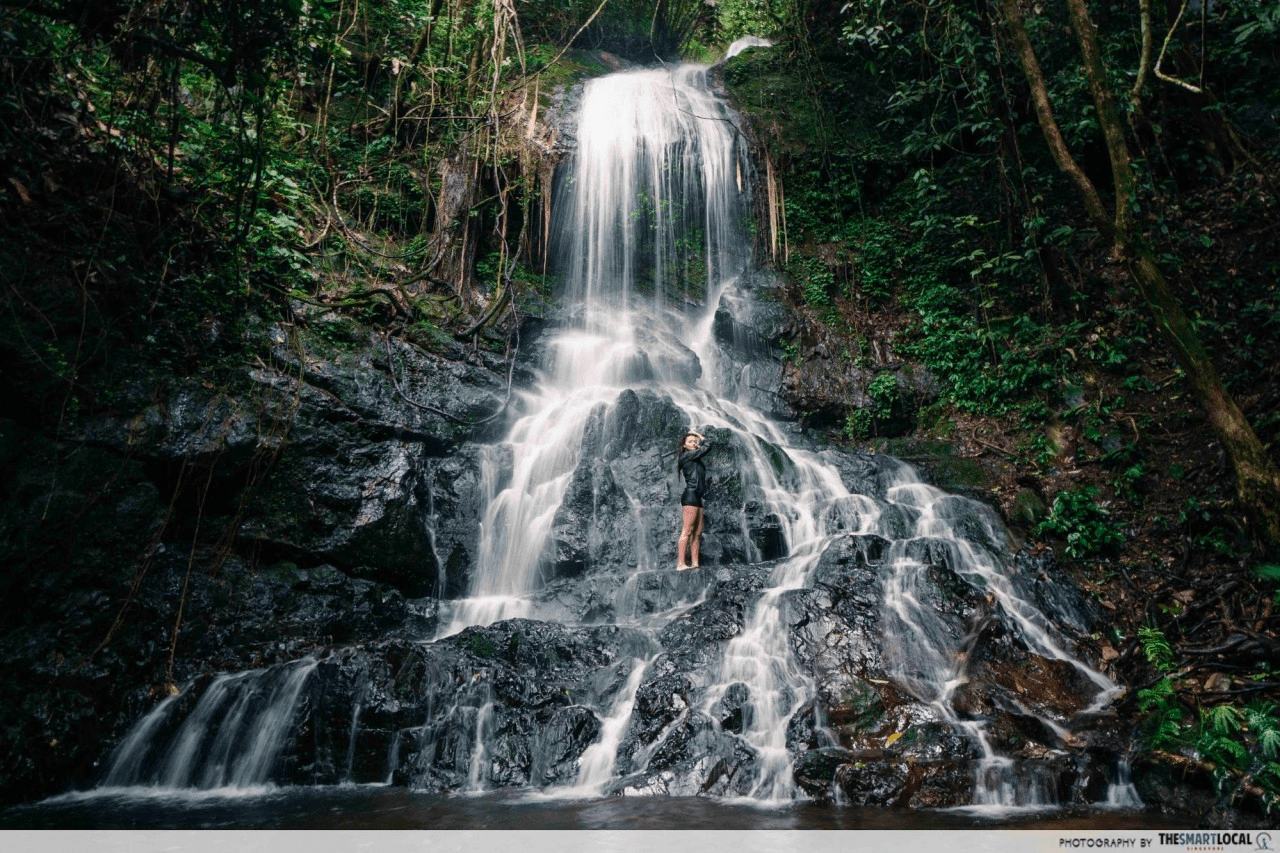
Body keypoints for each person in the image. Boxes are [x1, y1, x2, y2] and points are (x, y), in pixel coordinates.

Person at [675, 430, 711, 570]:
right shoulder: (686, 456)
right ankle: (681, 564)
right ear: (684, 446)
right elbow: (708, 446)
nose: (694, 443)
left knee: (697, 532)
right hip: (690, 496)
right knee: (687, 530)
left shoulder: (694, 458)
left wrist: (697, 440)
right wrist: (700, 436)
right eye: (690, 441)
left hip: (698, 497)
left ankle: (695, 563)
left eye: (695, 441)